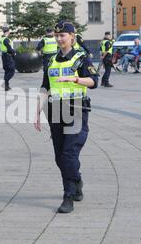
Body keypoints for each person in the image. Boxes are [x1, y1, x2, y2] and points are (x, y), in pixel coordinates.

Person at [34, 21, 99, 214]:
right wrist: (37, 111)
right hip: (55, 111)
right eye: (57, 36)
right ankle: (76, 180)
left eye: (63, 35)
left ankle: (68, 195)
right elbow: (45, 86)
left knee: (68, 154)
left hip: (76, 110)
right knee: (59, 157)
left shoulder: (81, 58)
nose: (59, 39)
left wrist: (76, 79)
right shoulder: (52, 60)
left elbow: (94, 81)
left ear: (72, 36)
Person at [0, 27, 16, 91]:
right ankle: (5, 82)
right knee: (12, 70)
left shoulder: (1, 39)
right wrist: (14, 52)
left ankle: (6, 86)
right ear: (7, 32)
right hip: (8, 56)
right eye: (9, 32)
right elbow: (9, 48)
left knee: (6, 70)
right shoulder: (6, 40)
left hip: (4, 55)